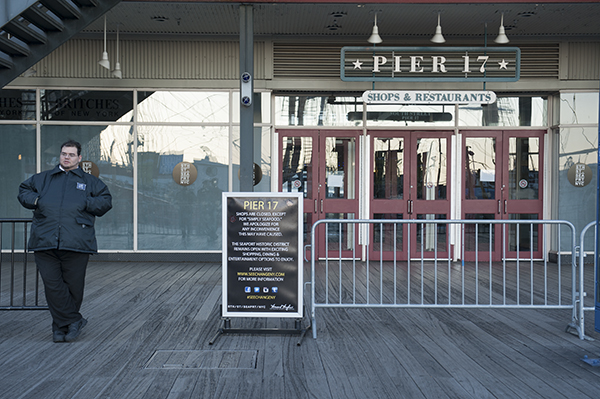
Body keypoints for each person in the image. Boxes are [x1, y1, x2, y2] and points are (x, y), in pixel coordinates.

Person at [18, 140, 112, 342]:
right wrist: (36, 201)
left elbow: (105, 201)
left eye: (71, 154)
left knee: (74, 288)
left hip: (77, 242)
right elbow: (24, 190)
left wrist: (86, 201)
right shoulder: (43, 179)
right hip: (45, 241)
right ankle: (73, 321)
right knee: (52, 286)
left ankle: (61, 329)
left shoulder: (90, 182)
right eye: (63, 154)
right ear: (59, 156)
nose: (66, 157)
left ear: (79, 158)